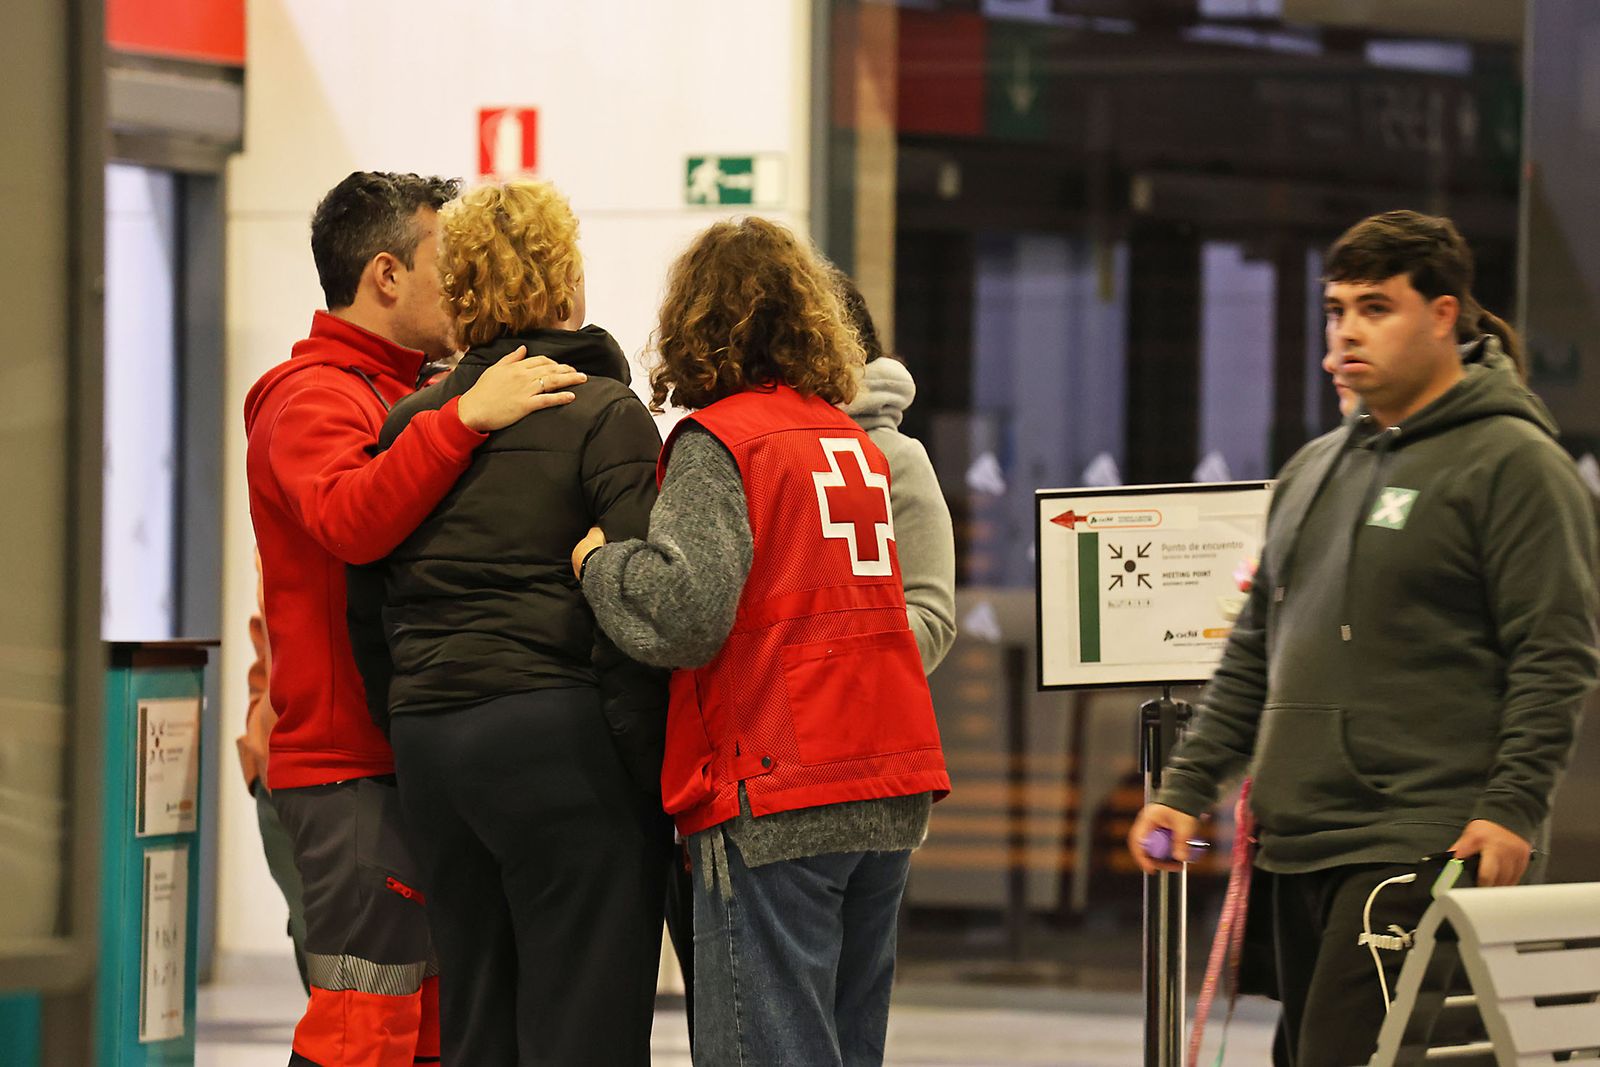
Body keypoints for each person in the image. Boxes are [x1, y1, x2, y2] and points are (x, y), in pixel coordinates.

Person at [1128, 209, 1599, 1067]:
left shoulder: (1515, 464)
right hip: (1299, 845)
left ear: (1445, 314)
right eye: (1337, 308)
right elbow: (1254, 652)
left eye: (1376, 307)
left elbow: (1555, 656)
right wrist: (1186, 786)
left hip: (1422, 836)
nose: (1347, 330)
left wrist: (1513, 806)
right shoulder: (1316, 467)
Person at [574, 217, 951, 1067]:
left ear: (695, 325)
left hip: (779, 785)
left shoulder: (724, 441)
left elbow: (687, 610)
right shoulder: (852, 442)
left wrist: (604, 565)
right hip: (887, 779)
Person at [244, 170, 585, 1067]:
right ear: (386, 275)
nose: (465, 285)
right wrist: (463, 418)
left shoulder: (396, 389)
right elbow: (353, 518)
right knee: (366, 1028)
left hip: (409, 762)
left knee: (427, 1033)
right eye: (447, 262)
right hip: (350, 768)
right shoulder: (309, 397)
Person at [346, 178, 671, 1067]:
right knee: (585, 1025)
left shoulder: (415, 421)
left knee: (477, 1020)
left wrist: (410, 715)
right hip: (559, 742)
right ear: (566, 282)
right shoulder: (604, 414)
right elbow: (642, 609)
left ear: (461, 292)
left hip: (435, 746)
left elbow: (366, 604)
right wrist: (645, 775)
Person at [836, 274, 956, 674]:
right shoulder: (755, 446)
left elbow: (931, 619)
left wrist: (825, 652)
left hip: (857, 715)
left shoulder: (897, 458)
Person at [236, 552, 309, 993]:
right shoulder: (272, 538)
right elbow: (264, 645)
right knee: (313, 944)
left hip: (353, 779)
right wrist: (253, 751)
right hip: (276, 779)